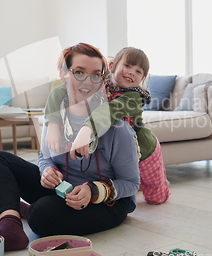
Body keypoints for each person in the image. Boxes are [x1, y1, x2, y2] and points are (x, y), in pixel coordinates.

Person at [0, 43, 140, 251]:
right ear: (62, 74)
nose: (88, 81)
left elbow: (131, 183)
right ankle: (10, 225)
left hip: (107, 202)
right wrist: (47, 171)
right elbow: (45, 157)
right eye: (79, 72)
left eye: (96, 75)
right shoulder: (55, 119)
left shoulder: (118, 128)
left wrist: (93, 190)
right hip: (61, 190)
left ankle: (30, 211)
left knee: (41, 216)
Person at [44, 47, 170, 205]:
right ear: (112, 66)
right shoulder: (100, 83)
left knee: (156, 197)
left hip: (143, 148)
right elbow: (60, 91)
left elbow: (109, 111)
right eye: (128, 66)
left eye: (139, 71)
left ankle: (163, 187)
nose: (132, 72)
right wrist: (53, 123)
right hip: (118, 149)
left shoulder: (134, 97)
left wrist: (87, 129)